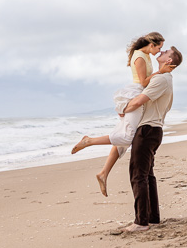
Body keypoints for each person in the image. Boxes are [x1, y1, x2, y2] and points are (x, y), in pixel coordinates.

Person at [70, 32, 165, 196]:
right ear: (151, 44)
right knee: (127, 138)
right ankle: (89, 141)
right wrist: (161, 71)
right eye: (159, 47)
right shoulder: (140, 57)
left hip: (138, 95)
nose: (159, 51)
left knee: (122, 137)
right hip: (135, 95)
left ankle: (104, 173)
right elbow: (143, 82)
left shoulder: (145, 55)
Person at [120, 46, 182, 233]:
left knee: (138, 175)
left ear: (169, 61)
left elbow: (139, 100)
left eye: (165, 53)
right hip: (154, 130)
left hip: (147, 131)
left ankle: (141, 222)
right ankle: (152, 218)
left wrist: (122, 109)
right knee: (148, 175)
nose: (160, 53)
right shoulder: (167, 79)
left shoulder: (161, 79)